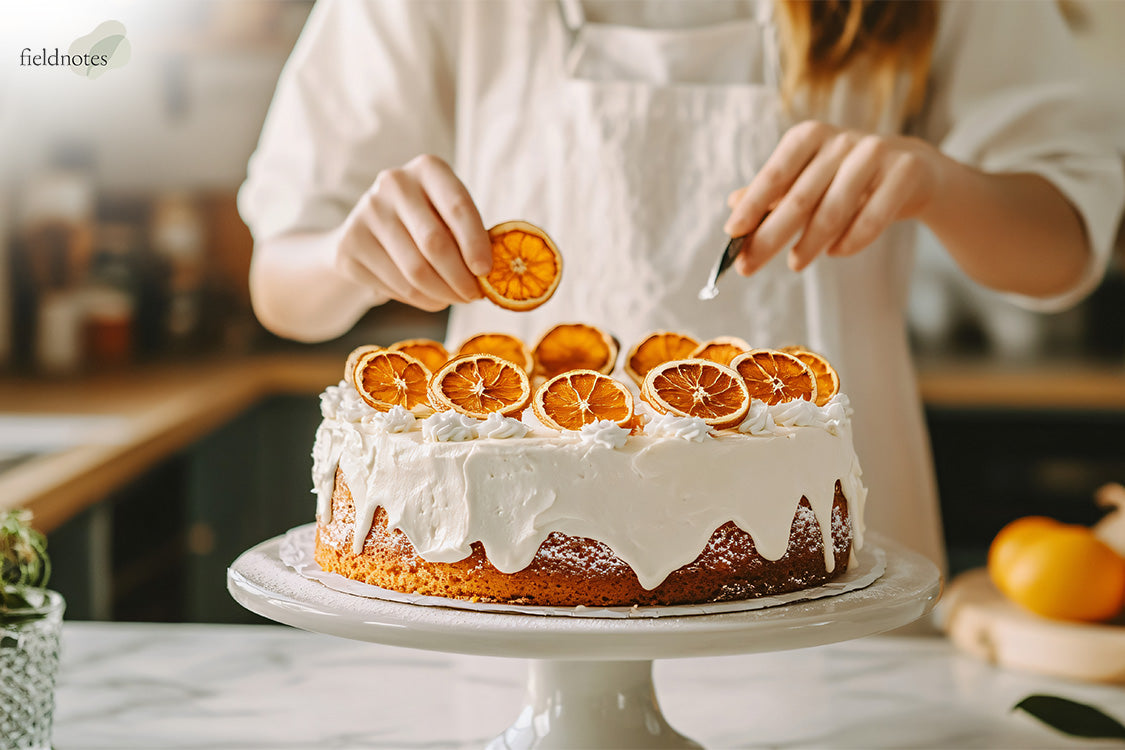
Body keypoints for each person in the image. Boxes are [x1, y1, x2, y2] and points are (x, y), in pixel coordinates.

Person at [239, 0, 1124, 569]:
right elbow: (281, 284)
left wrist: (936, 181)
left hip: (829, 557)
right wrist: (349, 257)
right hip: (501, 560)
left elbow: (1062, 250)